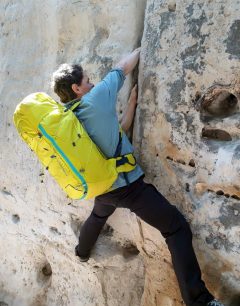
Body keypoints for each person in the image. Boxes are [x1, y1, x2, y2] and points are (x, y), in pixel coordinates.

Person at [52, 48, 223, 306]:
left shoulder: (70, 120)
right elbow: (121, 67)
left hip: (102, 187)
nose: (92, 83)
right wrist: (145, 48)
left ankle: (82, 252)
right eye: (87, 80)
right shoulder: (95, 100)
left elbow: (118, 132)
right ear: (77, 88)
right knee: (175, 227)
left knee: (99, 213)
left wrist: (131, 104)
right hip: (128, 188)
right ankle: (199, 302)